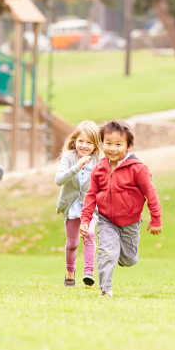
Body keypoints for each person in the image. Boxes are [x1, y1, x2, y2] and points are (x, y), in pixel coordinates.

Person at [80, 120, 162, 298]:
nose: (112, 148)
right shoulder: (98, 169)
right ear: (102, 144)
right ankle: (105, 290)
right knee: (107, 252)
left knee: (129, 260)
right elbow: (90, 196)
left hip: (130, 222)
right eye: (108, 143)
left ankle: (118, 255)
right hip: (106, 220)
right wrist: (85, 221)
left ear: (128, 146)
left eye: (118, 144)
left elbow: (152, 194)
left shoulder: (138, 169)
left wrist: (156, 219)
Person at [55, 120, 102, 287]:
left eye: (89, 142)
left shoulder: (99, 161)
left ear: (95, 145)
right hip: (70, 206)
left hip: (90, 207)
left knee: (89, 234)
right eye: (81, 141)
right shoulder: (69, 157)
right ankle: (70, 271)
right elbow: (59, 180)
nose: (84, 145)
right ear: (74, 140)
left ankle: (88, 273)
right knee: (73, 243)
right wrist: (77, 166)